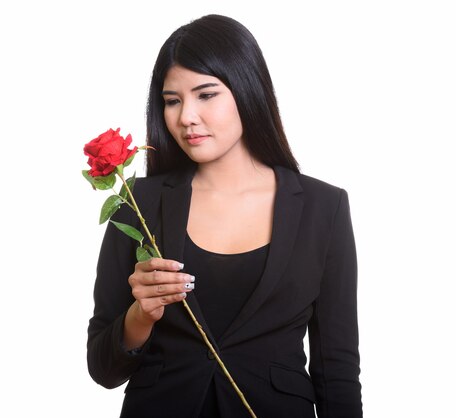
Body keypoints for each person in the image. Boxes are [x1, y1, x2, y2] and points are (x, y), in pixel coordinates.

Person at [87, 14, 362, 418]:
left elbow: (336, 369)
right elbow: (103, 368)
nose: (185, 117)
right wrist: (141, 314)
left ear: (247, 89)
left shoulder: (324, 207)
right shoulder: (137, 203)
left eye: (206, 94)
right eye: (172, 100)